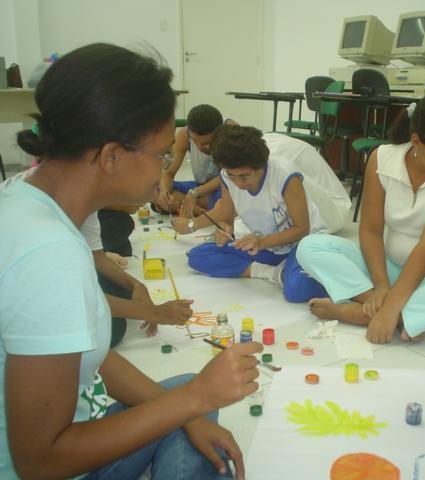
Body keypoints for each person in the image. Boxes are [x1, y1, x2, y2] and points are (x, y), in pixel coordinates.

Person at [0, 43, 262, 480]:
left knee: (189, 406)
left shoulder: (24, 195)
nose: (164, 168)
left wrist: (189, 409)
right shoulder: (50, 255)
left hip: (69, 425)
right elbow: (40, 463)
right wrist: (195, 399)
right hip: (55, 465)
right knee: (193, 400)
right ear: (111, 156)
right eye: (161, 154)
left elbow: (89, 356)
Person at [296, 93, 425, 344]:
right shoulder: (382, 157)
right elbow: (370, 231)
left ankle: (360, 312)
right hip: (387, 268)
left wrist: (390, 307)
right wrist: (382, 286)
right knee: (310, 246)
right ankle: (397, 311)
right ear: (417, 141)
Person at [0, 169, 193, 347]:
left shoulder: (82, 192)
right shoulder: (35, 218)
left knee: (120, 298)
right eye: (160, 155)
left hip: (46, 293)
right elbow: (65, 297)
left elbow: (96, 255)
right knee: (108, 330)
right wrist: (152, 312)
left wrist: (135, 285)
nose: (160, 172)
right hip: (22, 311)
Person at [172, 125, 329, 303]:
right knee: (198, 256)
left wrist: (262, 242)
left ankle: (295, 270)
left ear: (261, 165)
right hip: (267, 245)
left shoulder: (285, 175)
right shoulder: (227, 177)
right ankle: (273, 273)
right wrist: (223, 231)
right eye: (232, 176)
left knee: (296, 290)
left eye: (244, 176)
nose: (239, 183)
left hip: (303, 244)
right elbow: (227, 220)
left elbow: (302, 229)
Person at [155, 104, 237, 216]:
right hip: (200, 185)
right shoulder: (184, 134)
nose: (199, 147)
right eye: (194, 141)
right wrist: (164, 192)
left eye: (206, 143)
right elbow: (168, 173)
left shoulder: (232, 132)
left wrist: (195, 193)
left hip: (225, 188)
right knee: (154, 188)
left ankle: (183, 207)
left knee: (227, 201)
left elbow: (229, 175)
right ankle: (205, 214)